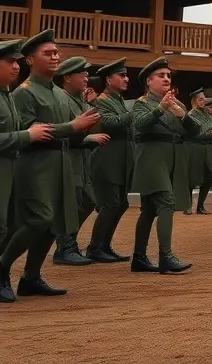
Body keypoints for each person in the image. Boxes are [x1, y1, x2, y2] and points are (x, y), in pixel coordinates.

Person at [0, 29, 102, 299]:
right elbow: (29, 130)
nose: (55, 56)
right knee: (39, 218)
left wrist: (84, 126)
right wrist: (73, 125)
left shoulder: (59, 93)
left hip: (62, 160)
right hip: (35, 163)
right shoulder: (24, 93)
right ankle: (2, 267)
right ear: (30, 60)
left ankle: (31, 277)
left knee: (54, 223)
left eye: (56, 52)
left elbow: (72, 132)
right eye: (48, 53)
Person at [1, 38, 57, 303]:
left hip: (12, 167)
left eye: (16, 61)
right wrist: (27, 135)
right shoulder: (19, 92)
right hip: (12, 166)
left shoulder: (6, 94)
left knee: (10, 226)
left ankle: (23, 276)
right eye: (10, 61)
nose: (16, 66)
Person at [130, 57, 198, 274]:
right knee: (166, 202)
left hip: (171, 158)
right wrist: (160, 108)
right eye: (161, 75)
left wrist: (182, 115)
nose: (166, 78)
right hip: (152, 158)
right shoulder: (141, 103)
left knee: (149, 210)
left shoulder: (177, 105)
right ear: (149, 81)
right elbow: (140, 126)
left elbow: (194, 131)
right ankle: (165, 256)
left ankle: (139, 258)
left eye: (168, 75)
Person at [87, 58, 134, 262]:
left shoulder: (118, 100)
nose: (126, 79)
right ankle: (94, 247)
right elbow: (109, 122)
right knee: (110, 204)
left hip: (120, 162)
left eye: (126, 75)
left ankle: (105, 245)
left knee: (120, 204)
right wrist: (134, 113)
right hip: (106, 162)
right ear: (108, 79)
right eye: (121, 75)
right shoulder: (101, 100)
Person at [51, 56, 97, 266]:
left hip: (81, 158)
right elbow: (63, 131)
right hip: (68, 157)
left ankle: (69, 242)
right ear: (68, 77)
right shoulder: (60, 97)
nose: (87, 78)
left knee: (88, 201)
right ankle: (65, 246)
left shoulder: (79, 99)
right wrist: (89, 136)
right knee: (71, 204)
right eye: (83, 74)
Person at [184, 88, 212, 216]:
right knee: (192, 178)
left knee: (211, 176)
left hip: (210, 148)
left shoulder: (208, 115)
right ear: (194, 101)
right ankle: (188, 206)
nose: (203, 101)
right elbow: (201, 133)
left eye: (204, 99)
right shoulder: (191, 115)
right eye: (200, 99)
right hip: (196, 148)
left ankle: (200, 205)